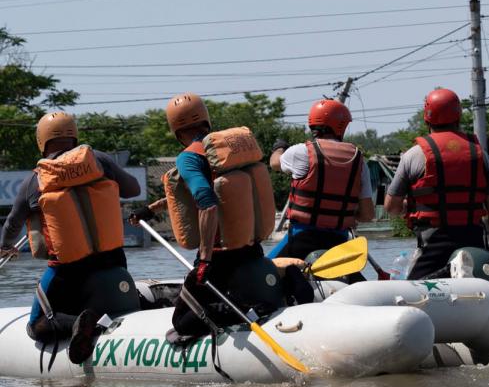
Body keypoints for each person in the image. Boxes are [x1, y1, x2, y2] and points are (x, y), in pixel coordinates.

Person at [134, 92, 286, 340]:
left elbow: (207, 202)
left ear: (176, 129)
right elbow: (198, 194)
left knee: (182, 322)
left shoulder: (189, 157)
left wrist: (204, 260)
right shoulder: (227, 150)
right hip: (252, 251)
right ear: (205, 119)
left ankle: (241, 312)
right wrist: (151, 209)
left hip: (219, 261)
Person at [0, 112, 141, 364]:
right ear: (74, 136)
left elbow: (12, 223)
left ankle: (78, 323)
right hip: (114, 263)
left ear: (41, 141)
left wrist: (6, 246)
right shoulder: (100, 160)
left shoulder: (35, 179)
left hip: (68, 273)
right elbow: (134, 189)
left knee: (36, 325)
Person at [384, 88, 489, 280]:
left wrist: (407, 208)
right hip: (474, 242)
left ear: (426, 119)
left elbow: (391, 207)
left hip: (433, 244)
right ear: (458, 116)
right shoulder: (481, 156)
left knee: (412, 291)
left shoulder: (413, 156)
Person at [267, 98, 374, 272]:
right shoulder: (359, 161)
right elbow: (368, 214)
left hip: (301, 238)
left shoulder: (300, 152)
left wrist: (279, 148)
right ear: (341, 126)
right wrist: (345, 215)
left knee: (263, 269)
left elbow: (274, 163)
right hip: (338, 243)